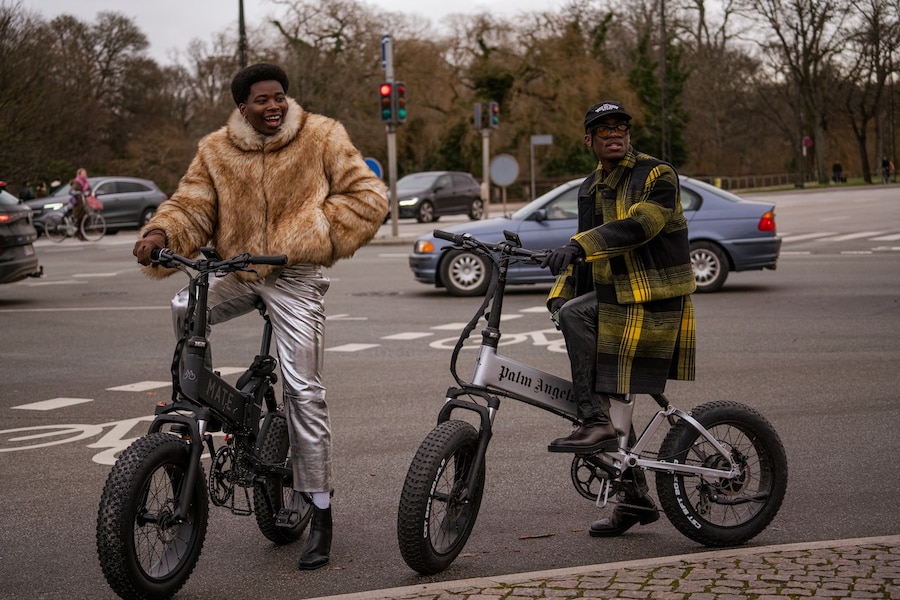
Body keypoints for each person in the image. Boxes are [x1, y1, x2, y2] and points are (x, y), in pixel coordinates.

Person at [132, 63, 388, 570]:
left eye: (279, 98)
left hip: (295, 278)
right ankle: (220, 406)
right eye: (261, 100)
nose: (273, 106)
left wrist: (304, 239)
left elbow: (368, 198)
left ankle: (320, 511)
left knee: (303, 392)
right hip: (241, 271)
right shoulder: (216, 150)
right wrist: (161, 233)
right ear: (243, 106)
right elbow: (192, 203)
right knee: (184, 307)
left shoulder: (322, 136)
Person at [541, 101, 696, 538]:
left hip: (653, 299)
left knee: (598, 394)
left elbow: (640, 226)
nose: (614, 133)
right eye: (603, 128)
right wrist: (559, 293)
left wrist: (578, 244)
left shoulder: (656, 175)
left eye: (621, 127)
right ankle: (633, 499)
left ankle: (596, 423)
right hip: (615, 299)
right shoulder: (590, 187)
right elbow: (586, 262)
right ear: (588, 139)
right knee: (572, 317)